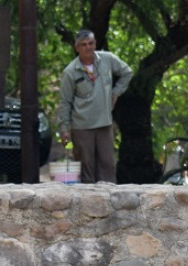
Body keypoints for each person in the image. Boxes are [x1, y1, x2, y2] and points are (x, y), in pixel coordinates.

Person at [55, 30, 133, 184]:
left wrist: (116, 92)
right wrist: (64, 128)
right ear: (77, 48)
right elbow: (65, 101)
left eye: (91, 43)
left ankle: (109, 203)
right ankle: (88, 205)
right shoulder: (70, 72)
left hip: (104, 124)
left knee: (108, 167)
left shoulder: (107, 59)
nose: (88, 47)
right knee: (86, 170)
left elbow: (127, 72)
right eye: (83, 45)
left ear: (95, 44)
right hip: (82, 127)